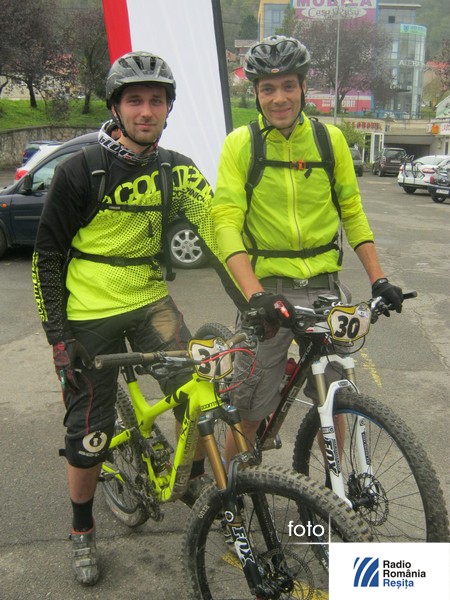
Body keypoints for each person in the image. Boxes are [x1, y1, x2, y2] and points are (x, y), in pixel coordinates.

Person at [31, 51, 243, 586]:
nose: (146, 110)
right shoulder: (81, 170)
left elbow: (217, 238)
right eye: (135, 100)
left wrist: (250, 300)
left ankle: (195, 479)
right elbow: (47, 258)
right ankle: (82, 528)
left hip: (150, 303)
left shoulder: (177, 169)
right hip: (88, 316)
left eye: (156, 101)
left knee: (197, 391)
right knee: (90, 437)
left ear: (168, 109)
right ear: (116, 108)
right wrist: (59, 340)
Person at [211, 35, 404, 463]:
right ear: (256, 92)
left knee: (335, 399)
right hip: (269, 291)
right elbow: (225, 222)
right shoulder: (241, 144)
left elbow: (352, 211)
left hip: (324, 287)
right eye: (268, 89)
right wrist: (254, 295)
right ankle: (232, 492)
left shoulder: (328, 140)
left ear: (303, 87)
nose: (279, 98)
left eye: (288, 86)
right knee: (249, 409)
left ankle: (339, 487)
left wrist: (379, 279)